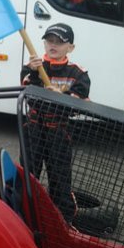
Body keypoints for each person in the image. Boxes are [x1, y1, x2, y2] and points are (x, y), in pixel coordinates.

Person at [21, 22, 90, 223]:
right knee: (28, 172)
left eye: (59, 42)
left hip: (59, 131)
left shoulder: (78, 73)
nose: (53, 45)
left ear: (71, 47)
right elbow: (26, 93)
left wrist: (62, 96)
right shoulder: (32, 66)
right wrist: (34, 73)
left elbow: (80, 101)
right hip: (33, 127)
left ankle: (61, 220)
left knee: (60, 177)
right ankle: (24, 213)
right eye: (49, 40)